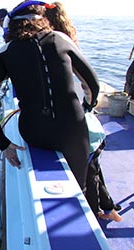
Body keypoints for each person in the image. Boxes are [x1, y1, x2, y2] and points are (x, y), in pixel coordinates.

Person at [0, 1, 99, 193]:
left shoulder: (5, 52)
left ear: (11, 24)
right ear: (43, 19)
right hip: (73, 132)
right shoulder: (61, 39)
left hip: (35, 133)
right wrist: (88, 105)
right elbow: (92, 84)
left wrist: (4, 144)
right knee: (79, 187)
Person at [45, 2, 122, 222]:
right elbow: (90, 88)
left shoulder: (52, 48)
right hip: (91, 128)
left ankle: (97, 214)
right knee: (94, 170)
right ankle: (108, 210)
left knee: (90, 175)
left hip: (82, 131)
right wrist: (87, 107)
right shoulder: (70, 45)